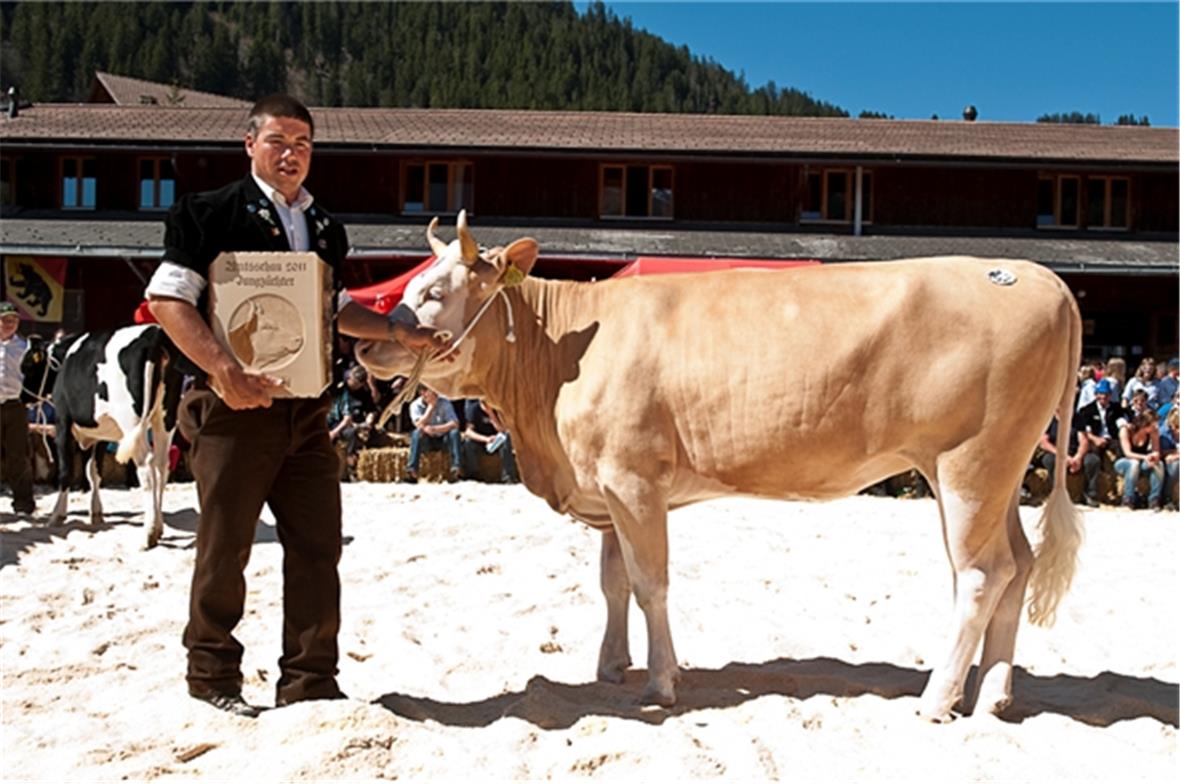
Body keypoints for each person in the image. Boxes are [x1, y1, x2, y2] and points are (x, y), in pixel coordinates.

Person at [145, 94, 445, 717]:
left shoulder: (326, 226)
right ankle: (212, 676)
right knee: (226, 546)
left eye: (303, 144)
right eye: (279, 141)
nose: (292, 154)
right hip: (230, 408)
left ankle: (310, 683)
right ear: (249, 144)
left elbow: (333, 310)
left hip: (308, 411)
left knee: (318, 546)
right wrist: (223, 369)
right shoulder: (208, 212)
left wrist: (396, 331)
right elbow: (168, 300)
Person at [0, 302, 35, 514]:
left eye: (13, 320)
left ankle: (23, 503)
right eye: (4, 320)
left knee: (18, 456)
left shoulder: (24, 347)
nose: (8, 324)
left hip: (16, 406)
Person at [327, 364, 385, 479]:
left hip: (359, 423)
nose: (351, 382)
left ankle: (353, 467)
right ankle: (348, 464)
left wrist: (369, 420)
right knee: (350, 433)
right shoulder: (340, 390)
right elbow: (345, 418)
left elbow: (371, 410)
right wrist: (334, 432)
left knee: (376, 434)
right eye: (351, 379)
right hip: (340, 423)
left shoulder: (363, 393)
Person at [1038, 414, 1099, 507]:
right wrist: (1062, 456)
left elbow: (1084, 441)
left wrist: (1078, 457)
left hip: (1074, 453)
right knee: (1049, 460)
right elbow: (1044, 442)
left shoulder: (1077, 418)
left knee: (1092, 460)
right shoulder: (1049, 419)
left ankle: (1091, 494)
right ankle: (1054, 492)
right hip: (1056, 453)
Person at [405, 387, 461, 483]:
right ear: (421, 393)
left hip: (443, 439)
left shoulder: (445, 402)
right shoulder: (415, 405)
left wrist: (436, 429)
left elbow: (455, 423)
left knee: (455, 432)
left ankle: (456, 469)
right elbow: (418, 424)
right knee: (416, 433)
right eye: (428, 391)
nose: (433, 394)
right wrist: (431, 407)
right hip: (426, 440)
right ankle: (412, 470)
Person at [1113, 409, 1164, 510]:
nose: (1156, 426)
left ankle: (1154, 499)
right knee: (1134, 464)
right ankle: (1128, 498)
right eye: (1153, 424)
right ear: (1145, 424)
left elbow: (1156, 451)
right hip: (1124, 461)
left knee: (1159, 464)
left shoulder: (1153, 432)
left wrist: (1154, 457)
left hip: (1142, 461)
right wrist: (1145, 457)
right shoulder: (1126, 430)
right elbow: (1128, 453)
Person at [462, 398, 519, 483]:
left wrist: (491, 414)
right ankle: (473, 474)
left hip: (497, 441)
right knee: (468, 443)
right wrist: (486, 439)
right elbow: (468, 432)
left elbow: (503, 430)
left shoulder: (498, 410)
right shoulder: (474, 409)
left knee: (507, 438)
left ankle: (508, 476)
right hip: (481, 440)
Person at [1078, 378, 1128, 458]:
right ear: (1096, 394)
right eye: (1101, 394)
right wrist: (1095, 439)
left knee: (1121, 450)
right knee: (1093, 455)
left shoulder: (1116, 408)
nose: (1103, 397)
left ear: (1110, 395)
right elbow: (1085, 430)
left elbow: (1121, 421)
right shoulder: (1087, 410)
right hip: (1094, 438)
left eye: (1106, 394)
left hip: (1112, 438)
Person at [1160, 406, 1180, 511]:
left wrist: (1176, 454)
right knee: (1176, 466)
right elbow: (1161, 452)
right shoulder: (1164, 433)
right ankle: (1167, 497)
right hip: (1167, 461)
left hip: (1175, 457)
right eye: (1176, 426)